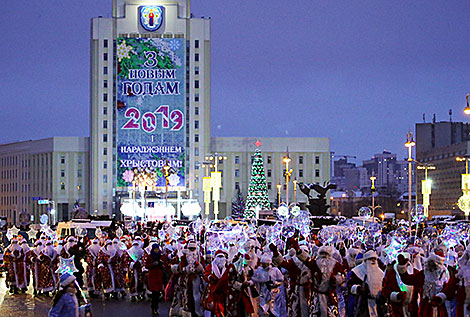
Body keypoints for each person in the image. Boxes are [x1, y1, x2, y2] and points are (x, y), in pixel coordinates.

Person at [347, 250, 385, 317]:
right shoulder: (357, 272)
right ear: (365, 261)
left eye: (374, 259)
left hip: (377, 305)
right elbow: (350, 286)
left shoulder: (381, 273)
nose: (373, 261)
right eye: (370, 259)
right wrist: (358, 289)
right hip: (363, 304)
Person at [145, 243, 164, 316]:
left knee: (157, 294)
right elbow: (147, 266)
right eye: (155, 249)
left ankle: (156, 308)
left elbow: (163, 266)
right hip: (152, 277)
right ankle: (153, 308)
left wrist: (161, 264)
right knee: (154, 294)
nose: (156, 251)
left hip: (158, 277)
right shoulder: (150, 257)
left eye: (157, 249)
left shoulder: (160, 256)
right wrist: (153, 264)